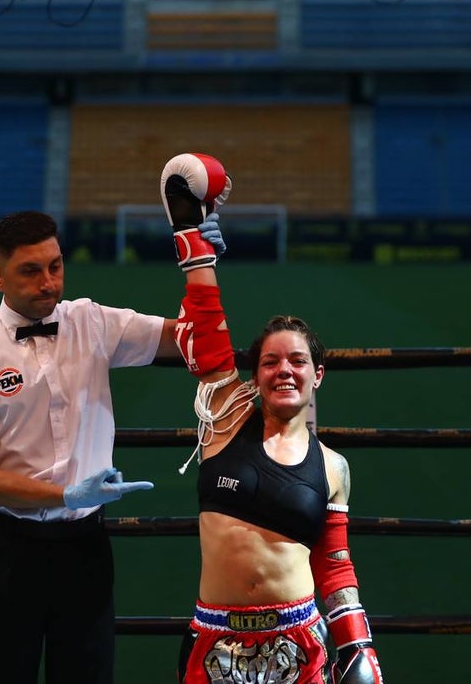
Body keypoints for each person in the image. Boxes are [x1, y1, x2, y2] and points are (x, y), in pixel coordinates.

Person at [159, 153, 384, 684]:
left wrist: (358, 645)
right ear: (255, 376)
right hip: (215, 638)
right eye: (270, 361)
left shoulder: (334, 467)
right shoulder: (225, 420)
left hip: (299, 642)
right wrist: (192, 238)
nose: (284, 370)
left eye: (297, 361)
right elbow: (209, 330)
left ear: (317, 376)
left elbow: (334, 563)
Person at [0, 210, 182, 684]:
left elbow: (192, 340)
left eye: (55, 266)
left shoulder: (91, 321)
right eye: (30, 270)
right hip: (11, 549)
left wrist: (201, 260)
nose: (48, 282)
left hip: (85, 546)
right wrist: (66, 495)